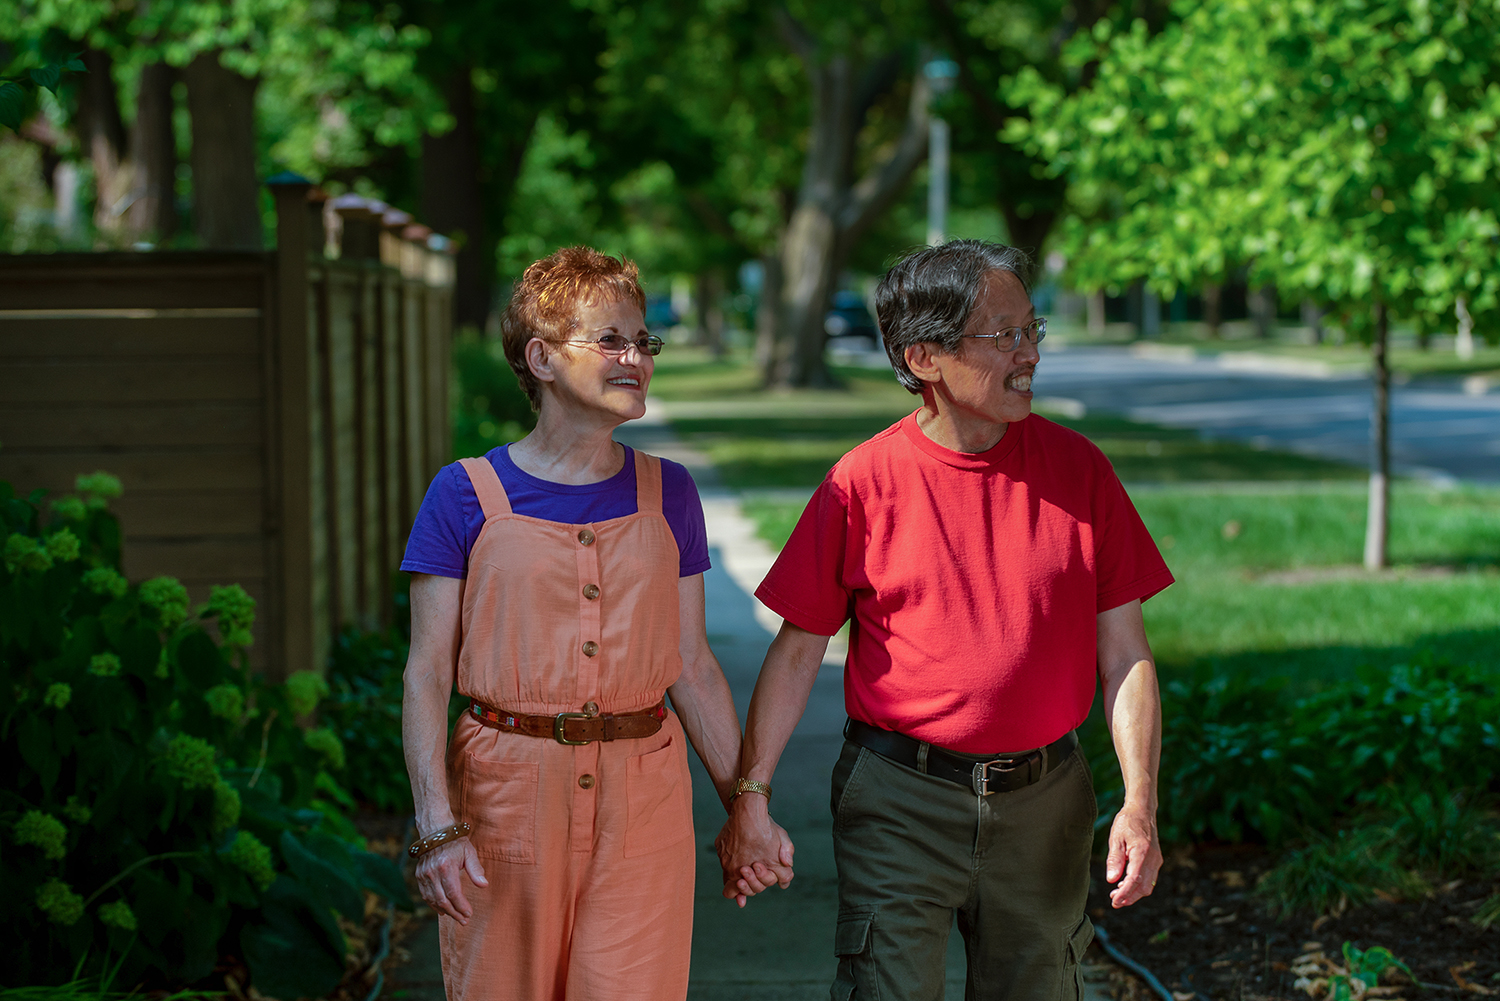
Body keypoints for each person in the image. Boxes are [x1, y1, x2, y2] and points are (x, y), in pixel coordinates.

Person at [716, 240, 1175, 1001]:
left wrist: (1140, 804)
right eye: (1004, 336)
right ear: (923, 356)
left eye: (1032, 331)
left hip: (1046, 798)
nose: (1028, 353)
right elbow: (799, 651)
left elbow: (1126, 651)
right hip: (900, 796)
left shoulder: (1080, 470)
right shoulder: (860, 483)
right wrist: (751, 798)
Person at [400, 247, 790, 1001]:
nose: (636, 357)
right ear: (541, 358)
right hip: (505, 796)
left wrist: (747, 807)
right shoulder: (464, 495)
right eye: (611, 340)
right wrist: (436, 825)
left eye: (643, 341)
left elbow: (692, 664)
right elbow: (427, 671)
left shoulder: (669, 492)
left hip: (643, 805)